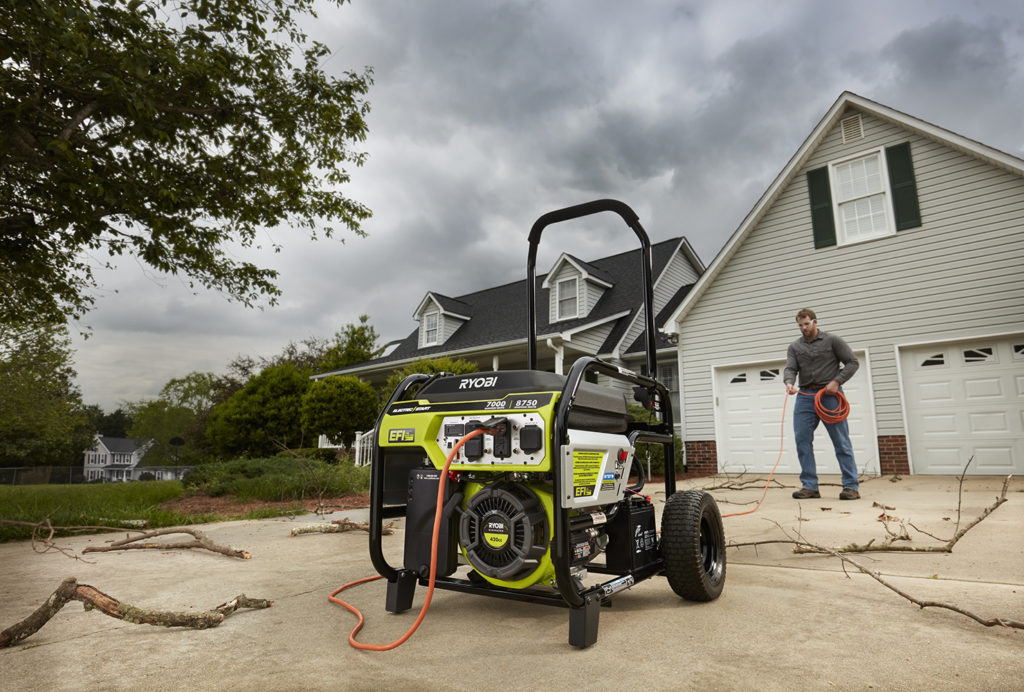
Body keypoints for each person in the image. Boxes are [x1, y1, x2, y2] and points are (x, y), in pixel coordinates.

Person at [783, 308, 861, 500]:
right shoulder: (794, 347)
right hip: (805, 396)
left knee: (841, 442)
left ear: (815, 322)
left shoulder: (832, 341)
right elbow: (791, 368)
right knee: (802, 441)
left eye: (807, 324)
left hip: (829, 396)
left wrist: (836, 382)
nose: (803, 328)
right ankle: (810, 486)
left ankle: (851, 486)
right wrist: (789, 383)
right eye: (800, 325)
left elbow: (852, 362)